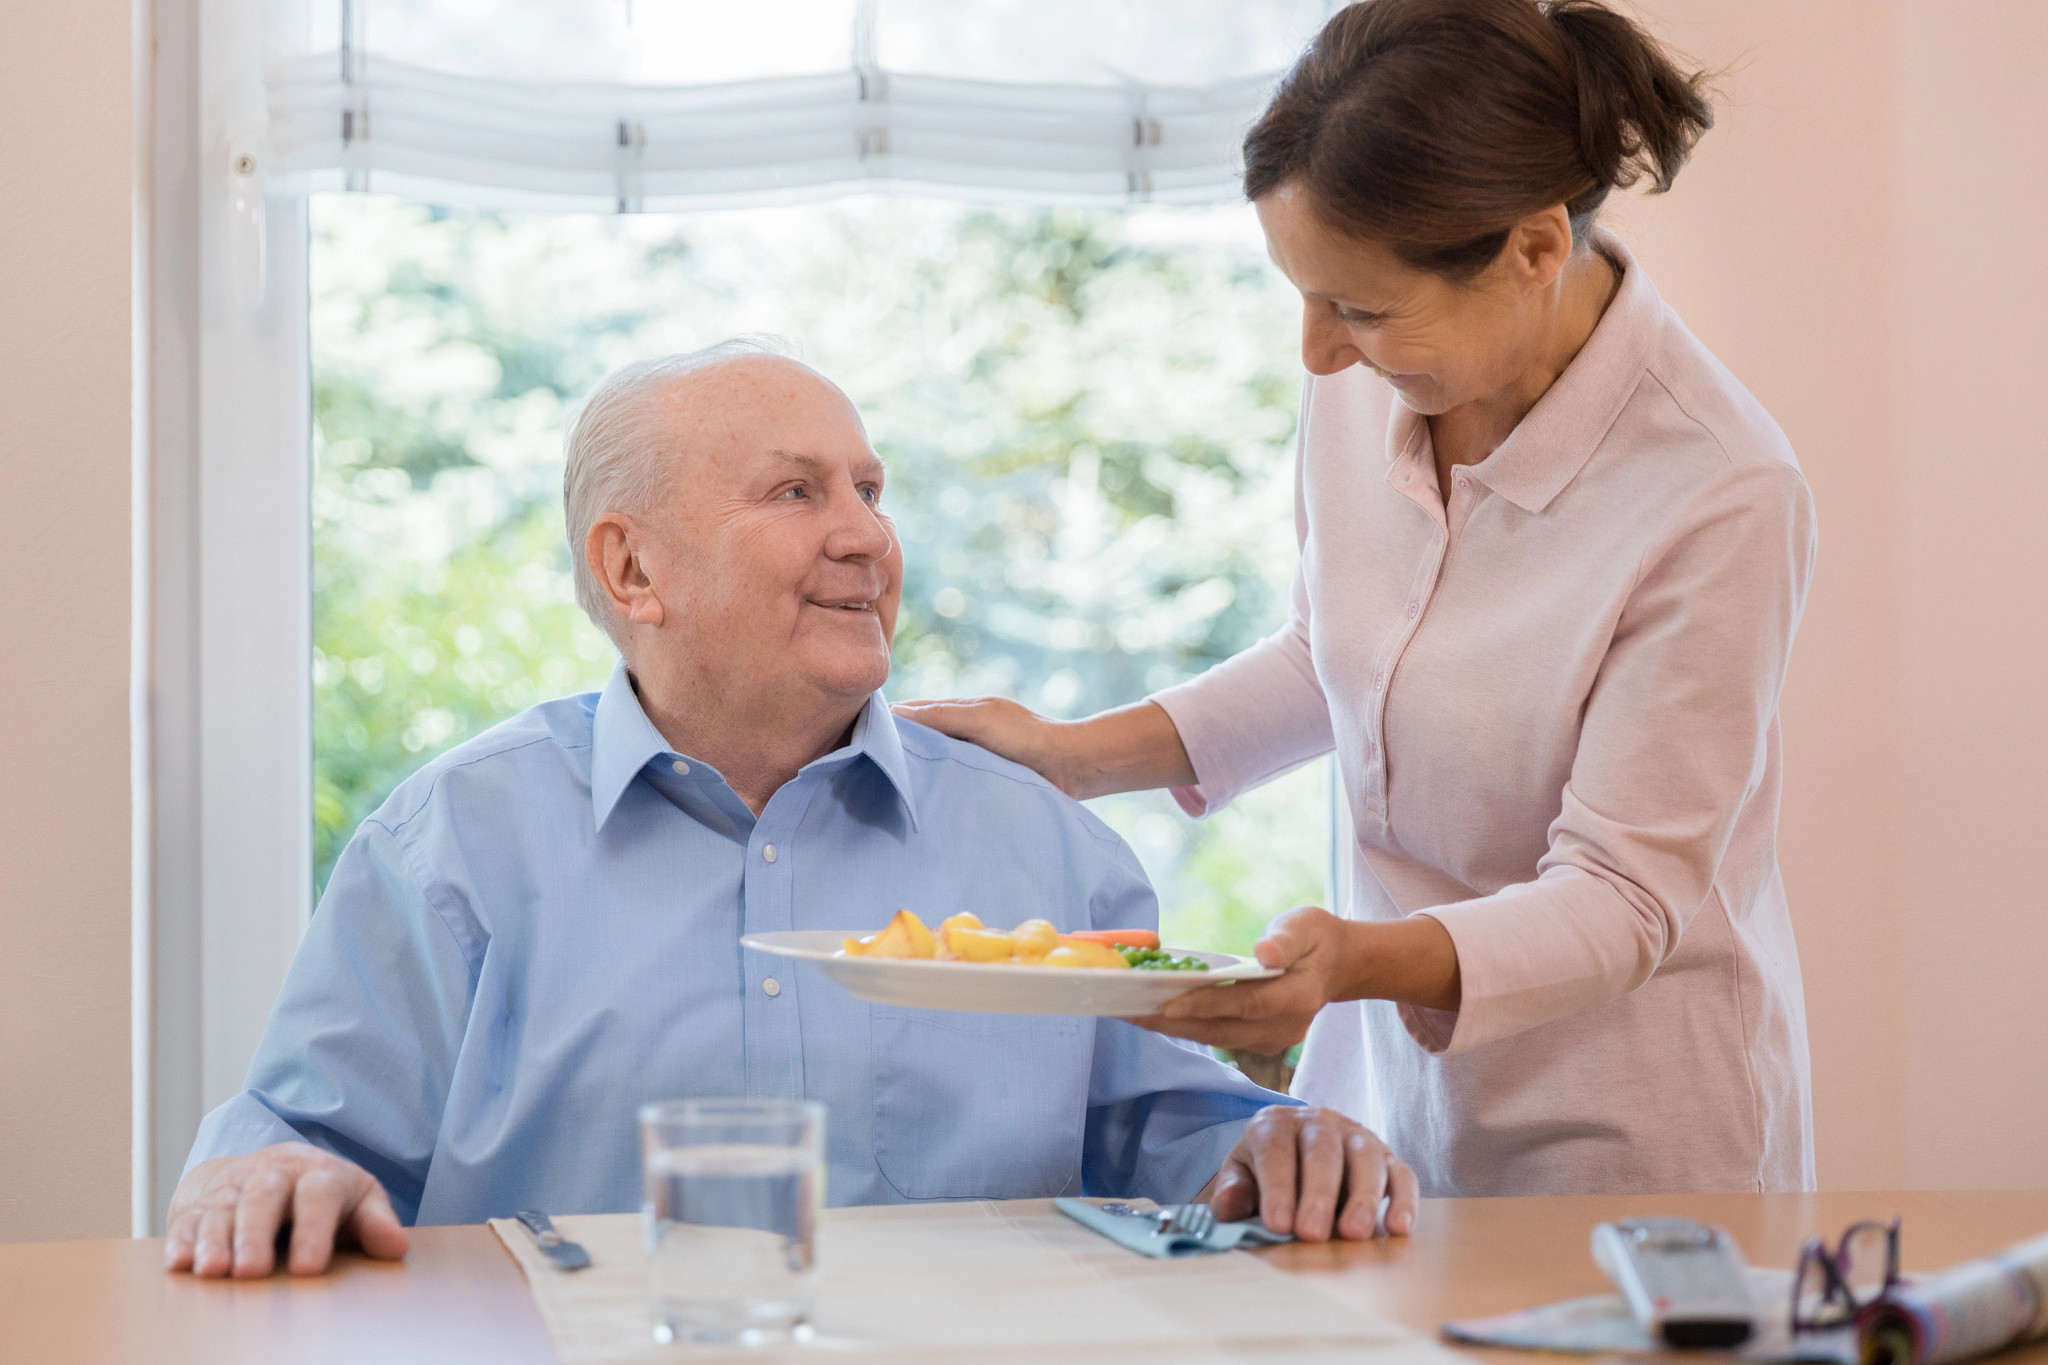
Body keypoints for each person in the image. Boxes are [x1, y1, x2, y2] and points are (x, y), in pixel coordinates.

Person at [165, 343, 1414, 1280]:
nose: (867, 535)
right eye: (796, 494)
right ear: (631, 568)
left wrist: (1276, 1143)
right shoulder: (454, 846)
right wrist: (267, 1169)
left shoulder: (1039, 837)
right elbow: (297, 1136)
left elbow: (1169, 1127)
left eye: (870, 489)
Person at [899, 0, 1818, 1198]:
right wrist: (1071, 756)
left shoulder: (1717, 491)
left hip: (1625, 1134)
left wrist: (1348, 961)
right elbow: (1332, 654)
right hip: (1385, 1091)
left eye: (1361, 309)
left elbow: (1623, 896)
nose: (1316, 352)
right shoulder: (1373, 375)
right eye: (1305, 292)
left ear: (1534, 248)